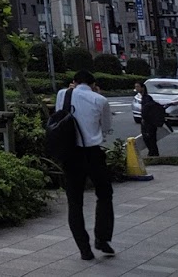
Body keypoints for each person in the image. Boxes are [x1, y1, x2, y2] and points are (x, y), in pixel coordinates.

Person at [55, 70, 115, 260]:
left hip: (70, 153)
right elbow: (106, 128)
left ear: (74, 81)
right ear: (93, 84)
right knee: (104, 194)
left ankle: (84, 248)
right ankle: (102, 238)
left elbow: (58, 117)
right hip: (92, 153)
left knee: (75, 202)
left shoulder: (62, 94)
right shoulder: (99, 100)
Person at [137, 81, 167, 158]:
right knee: (149, 138)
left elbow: (147, 109)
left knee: (149, 138)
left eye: (137, 87)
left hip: (148, 121)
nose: (136, 88)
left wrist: (144, 118)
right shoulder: (145, 97)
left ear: (142, 88)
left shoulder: (147, 98)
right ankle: (153, 152)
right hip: (149, 121)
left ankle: (153, 153)